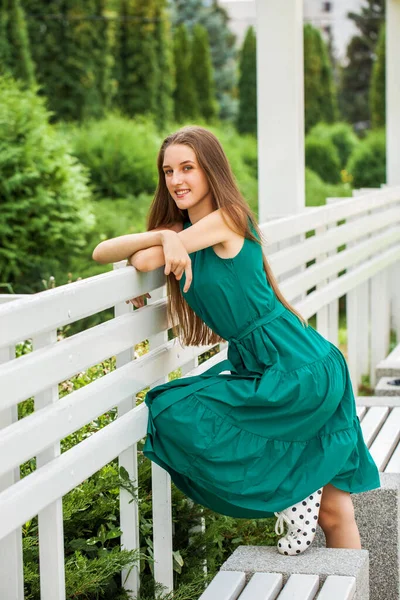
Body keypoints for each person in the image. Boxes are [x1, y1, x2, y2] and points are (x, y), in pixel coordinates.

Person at [92, 125, 380, 556]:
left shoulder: (229, 217)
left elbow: (145, 258)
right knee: (337, 511)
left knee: (171, 407)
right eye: (168, 171)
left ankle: (292, 494)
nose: (176, 180)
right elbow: (107, 251)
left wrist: (168, 240)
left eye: (187, 168)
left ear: (211, 170)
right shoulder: (183, 232)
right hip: (282, 365)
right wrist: (166, 234)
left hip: (295, 367)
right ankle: (298, 496)